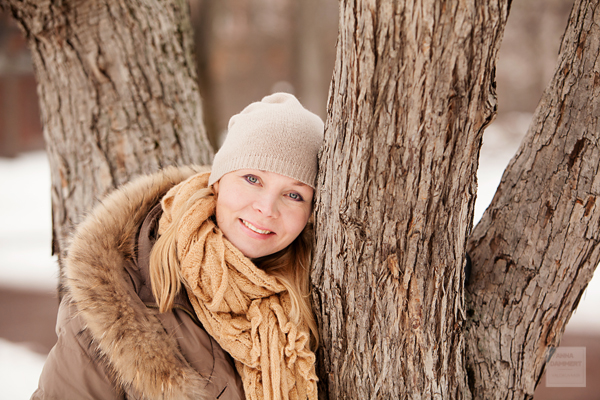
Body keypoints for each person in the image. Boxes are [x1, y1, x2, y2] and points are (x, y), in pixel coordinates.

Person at [32, 92, 324, 400]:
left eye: (294, 195)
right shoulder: (120, 296)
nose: (266, 208)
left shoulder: (309, 296)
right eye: (252, 178)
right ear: (217, 181)